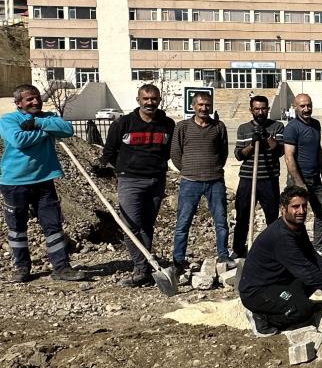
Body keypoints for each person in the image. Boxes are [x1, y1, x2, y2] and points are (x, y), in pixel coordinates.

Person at [0, 84, 84, 282]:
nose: (35, 101)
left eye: (37, 97)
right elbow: (18, 139)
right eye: (29, 99)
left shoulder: (47, 117)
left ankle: (61, 267)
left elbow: (67, 129)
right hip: (14, 182)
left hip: (44, 181)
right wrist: (47, 131)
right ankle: (21, 268)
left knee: (52, 225)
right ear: (18, 103)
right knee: (17, 228)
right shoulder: (8, 120)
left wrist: (38, 123)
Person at [239, 186, 322, 336]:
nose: (301, 211)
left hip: (279, 281)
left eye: (304, 206)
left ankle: (292, 303)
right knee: (304, 311)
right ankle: (261, 317)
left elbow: (310, 254)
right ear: (283, 209)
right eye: (295, 207)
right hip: (258, 291)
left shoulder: (296, 226)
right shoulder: (282, 236)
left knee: (320, 277)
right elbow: (304, 270)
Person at [100, 84, 175, 287]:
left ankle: (145, 265)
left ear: (159, 100)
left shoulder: (167, 124)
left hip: (157, 180)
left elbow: (170, 151)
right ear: (138, 100)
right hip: (130, 180)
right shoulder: (123, 124)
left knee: (147, 225)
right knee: (130, 226)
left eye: (154, 99)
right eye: (146, 99)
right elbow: (109, 152)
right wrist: (116, 169)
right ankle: (141, 268)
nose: (150, 102)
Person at [170, 91, 231, 271]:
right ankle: (178, 260)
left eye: (207, 105)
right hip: (190, 181)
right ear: (193, 106)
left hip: (215, 181)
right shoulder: (182, 127)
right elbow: (175, 153)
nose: (204, 108)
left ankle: (223, 256)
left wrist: (213, 168)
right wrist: (188, 169)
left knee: (221, 222)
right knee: (183, 222)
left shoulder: (219, 127)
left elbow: (223, 152)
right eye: (200, 104)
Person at [231, 95, 283, 259]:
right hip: (247, 179)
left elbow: (279, 151)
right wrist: (253, 144)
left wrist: (266, 137)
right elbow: (239, 155)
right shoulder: (243, 128)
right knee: (242, 216)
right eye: (257, 109)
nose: (260, 112)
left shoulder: (277, 126)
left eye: (263, 109)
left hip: (269, 178)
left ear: (268, 109)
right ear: (251, 110)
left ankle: (272, 250)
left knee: (272, 217)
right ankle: (238, 250)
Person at [282, 93, 322, 252]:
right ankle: (293, 247)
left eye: (309, 105)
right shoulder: (292, 127)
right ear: (295, 107)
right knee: (295, 216)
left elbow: (318, 149)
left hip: (315, 179)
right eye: (302, 106)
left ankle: (318, 248)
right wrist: (299, 183)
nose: (306, 109)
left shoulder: (316, 124)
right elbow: (289, 157)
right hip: (299, 179)